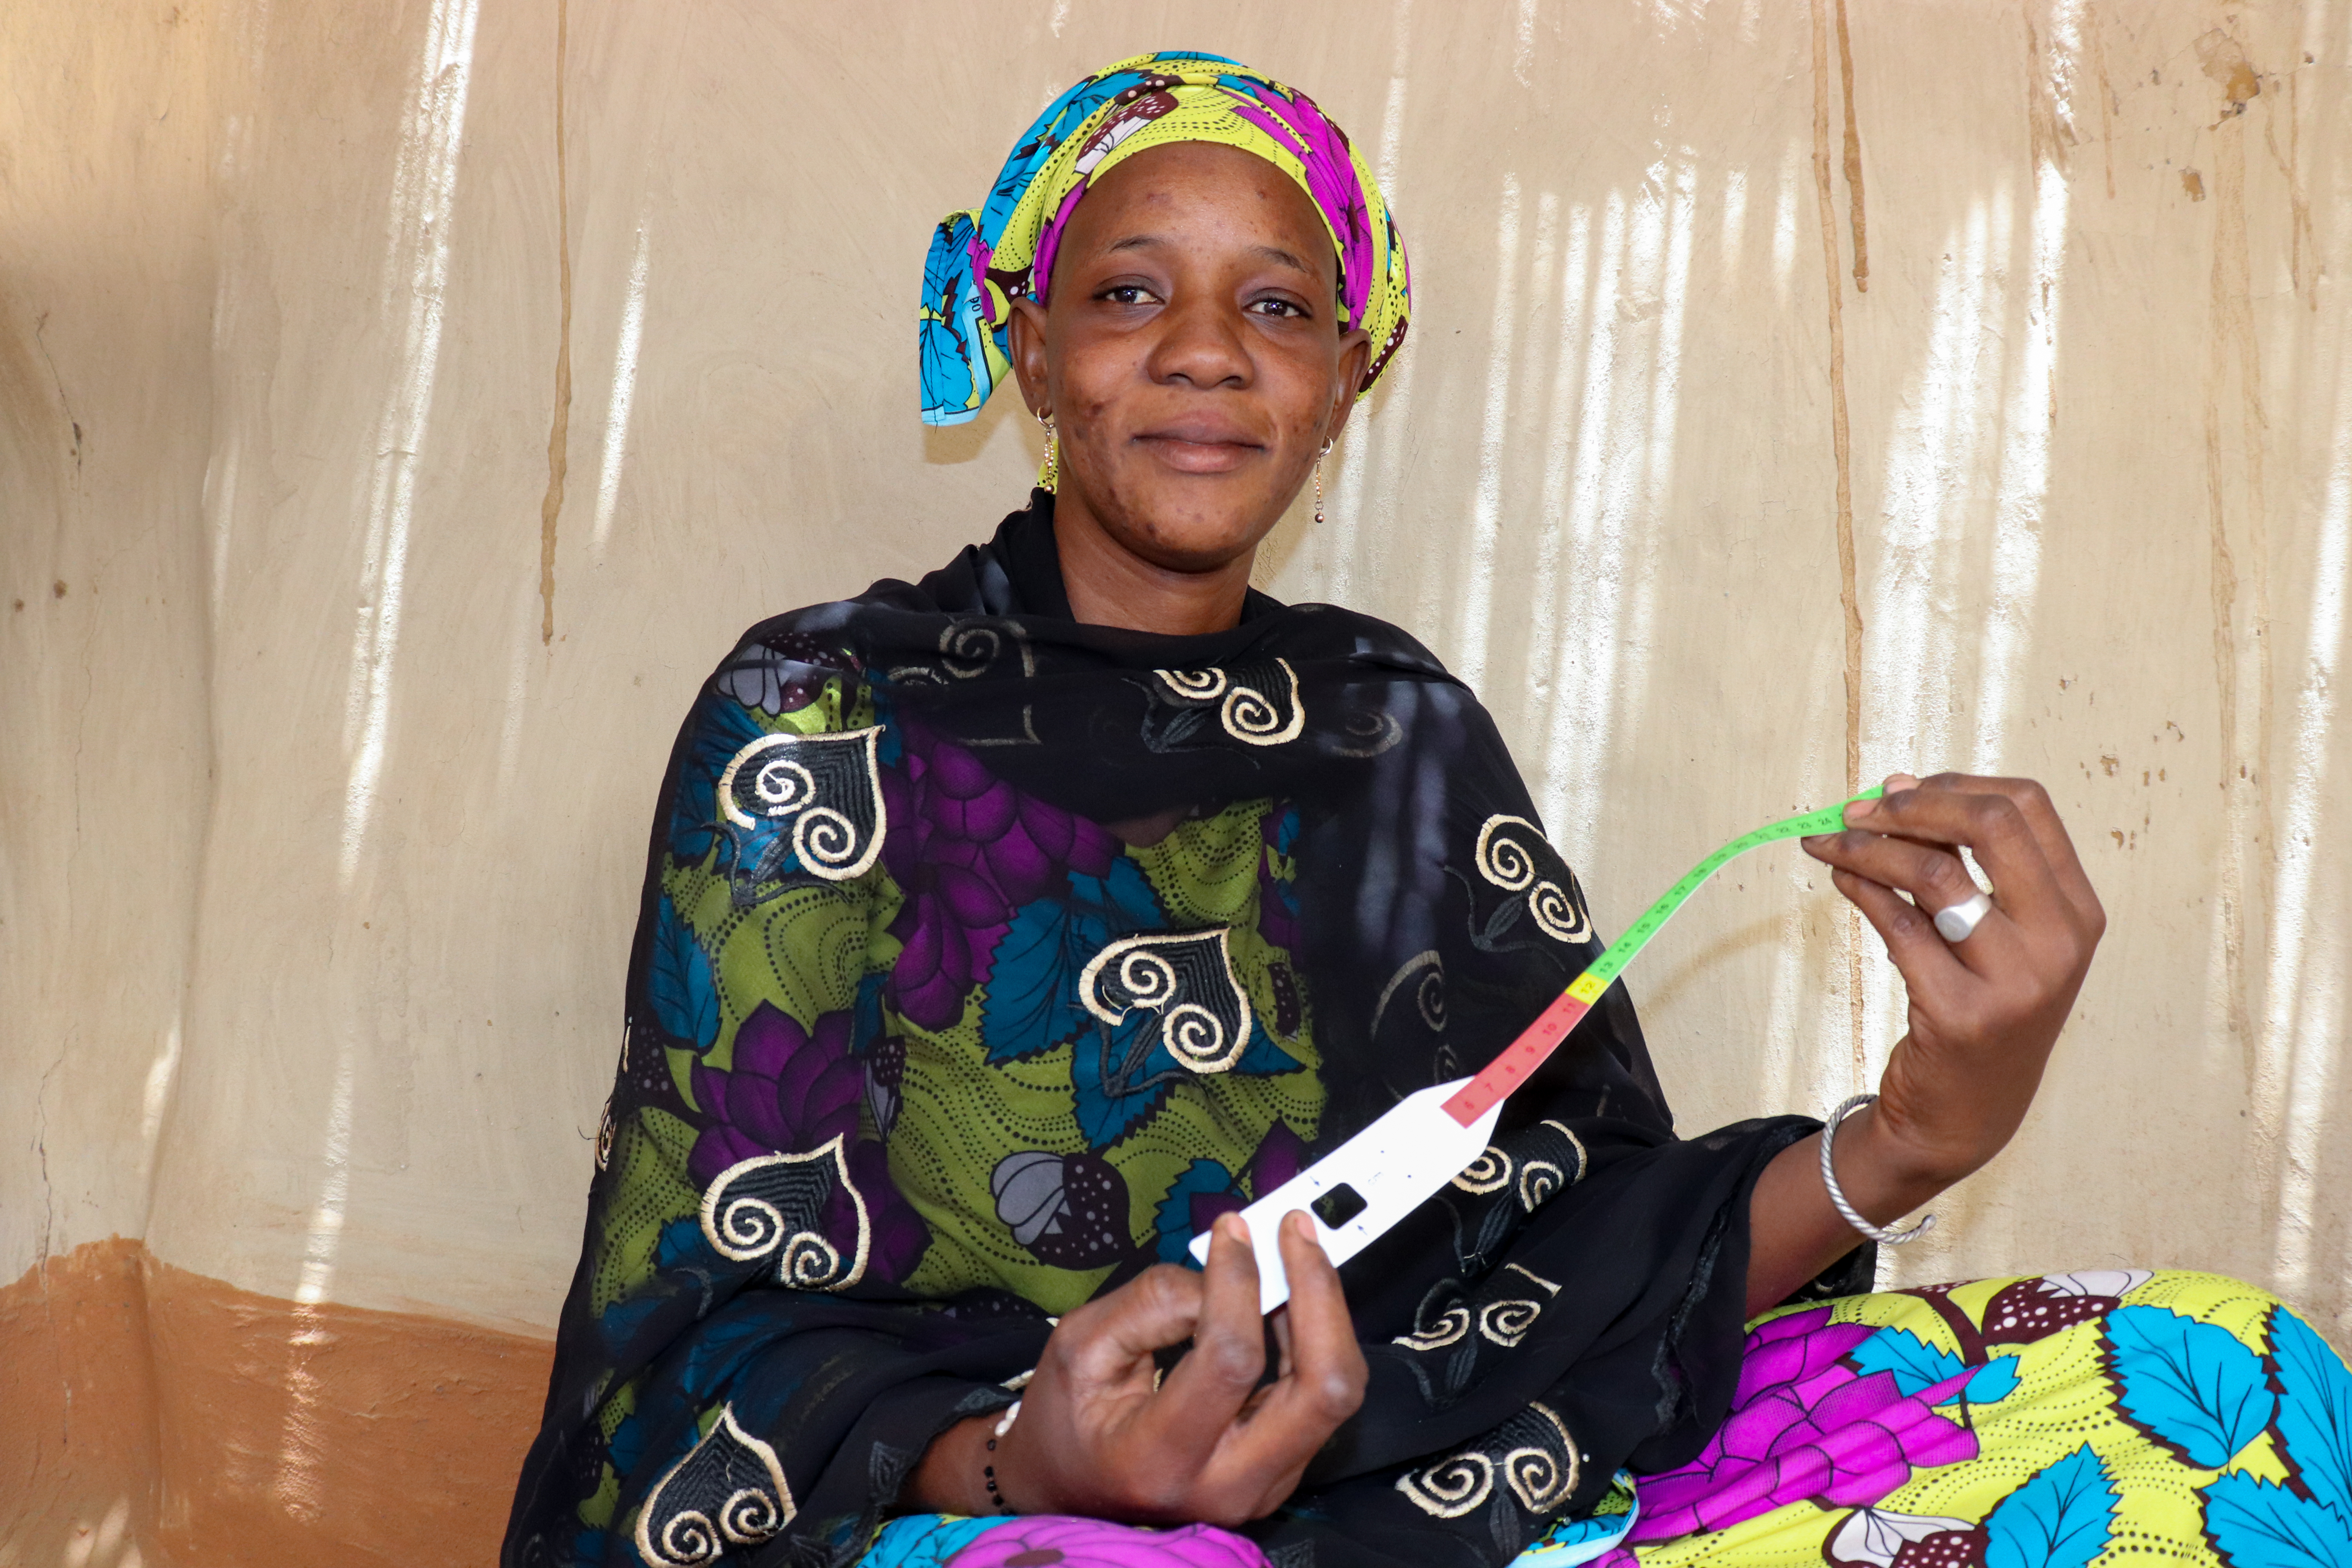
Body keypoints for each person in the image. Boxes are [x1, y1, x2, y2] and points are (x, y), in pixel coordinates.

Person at [506, 51, 2352, 1568]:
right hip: (991, 1512)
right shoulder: (827, 710)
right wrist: (1019, 1459)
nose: (1207, 348)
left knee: (2216, 1373)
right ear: (1030, 346)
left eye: (1278, 305)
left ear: (1345, 379)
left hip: (1432, 1477)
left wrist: (1920, 1137)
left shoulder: (1392, 732)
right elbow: (694, 1341)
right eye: (1130, 292)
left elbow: (1581, 1246)